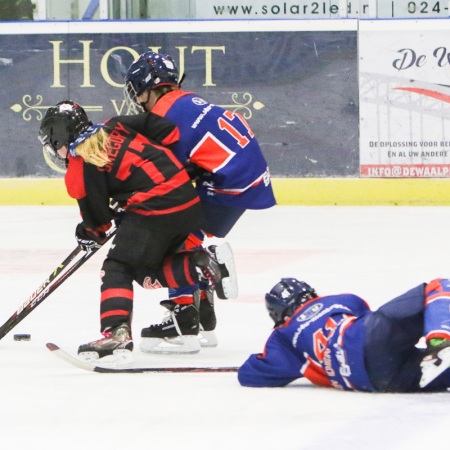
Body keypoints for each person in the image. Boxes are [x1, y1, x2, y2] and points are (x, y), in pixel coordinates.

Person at [38, 100, 237, 363]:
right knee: (145, 272)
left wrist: (88, 233)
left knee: (118, 267)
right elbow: (167, 131)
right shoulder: (115, 125)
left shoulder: (80, 166)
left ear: (59, 137)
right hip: (186, 198)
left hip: (154, 209)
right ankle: (202, 264)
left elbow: (98, 223)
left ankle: (116, 333)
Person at [124, 51, 276, 351]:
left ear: (145, 87)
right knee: (186, 236)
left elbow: (163, 175)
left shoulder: (162, 117)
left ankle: (185, 318)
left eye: (137, 90)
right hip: (245, 178)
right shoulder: (186, 101)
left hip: (229, 184)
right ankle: (203, 316)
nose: (136, 98)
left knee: (167, 239)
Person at [238, 277, 450, 392]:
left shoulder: (283, 339)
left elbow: (249, 375)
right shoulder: (341, 300)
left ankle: (439, 353)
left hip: (373, 381)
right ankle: (440, 342)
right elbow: (366, 314)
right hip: (370, 337)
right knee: (439, 287)